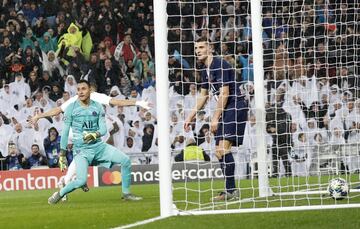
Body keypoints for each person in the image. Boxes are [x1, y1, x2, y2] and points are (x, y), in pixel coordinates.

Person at [48, 80, 142, 204]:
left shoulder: (97, 106)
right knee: (81, 181)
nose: (81, 92)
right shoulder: (71, 108)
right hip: (82, 151)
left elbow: (103, 129)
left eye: (84, 89)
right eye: (79, 89)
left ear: (90, 91)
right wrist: (62, 154)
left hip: (99, 147)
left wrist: (94, 134)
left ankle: (126, 193)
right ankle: (60, 194)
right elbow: (65, 133)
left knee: (125, 161)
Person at [184, 38, 248, 201]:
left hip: (235, 106)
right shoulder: (206, 70)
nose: (198, 50)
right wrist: (190, 116)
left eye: (201, 47)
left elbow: (225, 93)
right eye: (196, 48)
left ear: (210, 48)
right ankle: (229, 190)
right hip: (226, 109)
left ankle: (232, 191)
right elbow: (203, 96)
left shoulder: (219, 64)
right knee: (218, 152)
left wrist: (215, 118)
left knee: (223, 149)